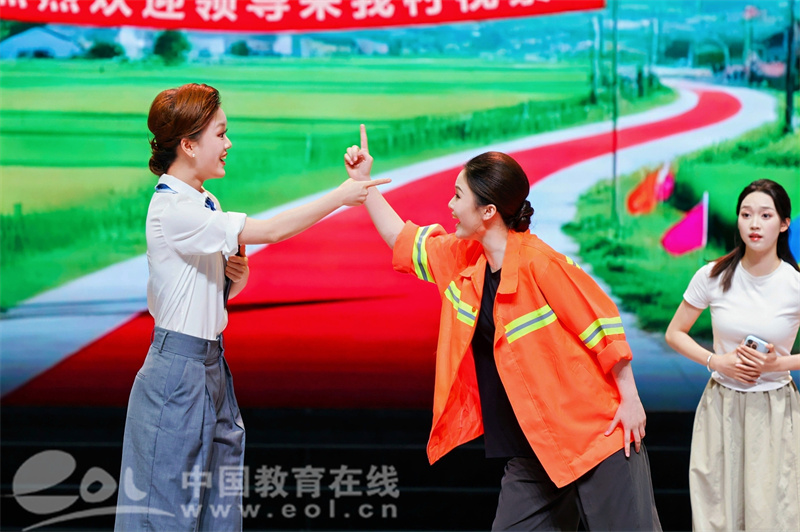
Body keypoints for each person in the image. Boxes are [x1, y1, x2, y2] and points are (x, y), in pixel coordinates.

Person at [344, 125, 661, 530]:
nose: (450, 205)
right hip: (532, 450)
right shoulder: (464, 259)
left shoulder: (540, 263)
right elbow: (403, 241)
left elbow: (603, 327)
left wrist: (630, 399)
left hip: (596, 436)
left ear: (488, 211)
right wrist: (365, 185)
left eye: (458, 196)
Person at [115, 84, 389, 531]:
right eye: (220, 134)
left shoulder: (204, 201)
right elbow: (273, 231)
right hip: (177, 371)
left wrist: (233, 280)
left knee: (217, 508)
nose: (228, 144)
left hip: (209, 364)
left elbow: (197, 293)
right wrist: (341, 196)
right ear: (188, 145)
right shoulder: (174, 209)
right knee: (165, 514)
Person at [665, 179, 800, 531]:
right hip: (721, 406)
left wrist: (778, 364)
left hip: (776, 409)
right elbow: (674, 333)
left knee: (773, 515)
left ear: (783, 223)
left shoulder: (794, 283)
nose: (754, 224)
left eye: (765, 215)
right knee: (716, 514)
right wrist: (716, 361)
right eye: (746, 214)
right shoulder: (712, 275)